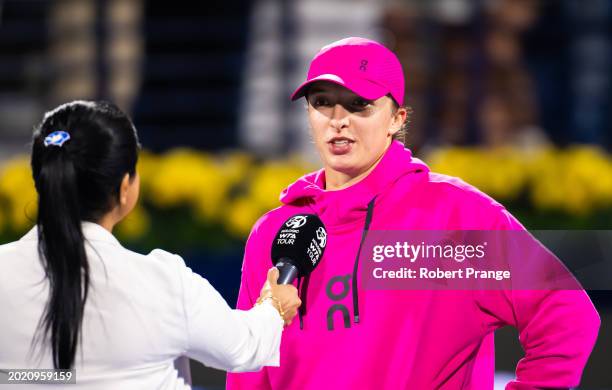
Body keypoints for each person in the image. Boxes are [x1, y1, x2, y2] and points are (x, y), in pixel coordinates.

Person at [226, 37, 600, 389]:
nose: (338, 119)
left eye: (359, 104)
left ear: (397, 119)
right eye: (322, 102)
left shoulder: (455, 216)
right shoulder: (276, 231)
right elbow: (250, 370)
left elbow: (566, 316)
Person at [0, 101, 301, 389]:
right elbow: (245, 348)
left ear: (42, 181)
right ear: (124, 188)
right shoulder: (164, 283)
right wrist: (274, 304)